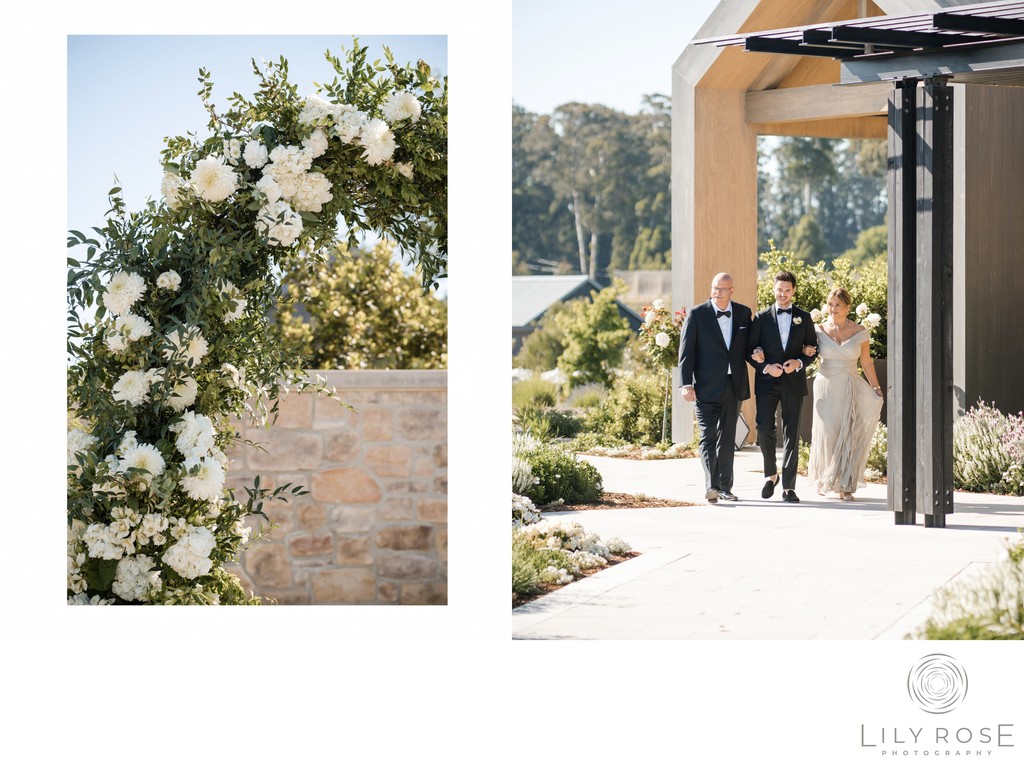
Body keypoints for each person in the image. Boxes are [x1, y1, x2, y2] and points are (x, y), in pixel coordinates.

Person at [678, 272, 751, 504]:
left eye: (722, 289)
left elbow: (748, 346)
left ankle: (725, 487)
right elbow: (685, 352)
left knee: (728, 437)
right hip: (705, 387)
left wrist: (759, 355)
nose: (717, 293)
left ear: (732, 290)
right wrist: (686, 383)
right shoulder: (697, 314)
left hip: (733, 384)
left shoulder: (743, 313)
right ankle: (711, 485)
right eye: (714, 288)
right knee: (707, 436)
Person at [747, 271, 818, 503]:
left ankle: (789, 487)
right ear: (773, 289)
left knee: (792, 433)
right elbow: (751, 350)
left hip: (793, 383)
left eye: (787, 290)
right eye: (780, 290)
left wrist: (798, 362)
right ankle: (771, 474)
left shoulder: (804, 318)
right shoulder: (760, 317)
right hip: (767, 382)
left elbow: (812, 349)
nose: (783, 294)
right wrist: (766, 366)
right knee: (764, 428)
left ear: (794, 291)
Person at [807, 287, 884, 501]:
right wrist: (805, 352)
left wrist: (876, 387)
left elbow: (866, 362)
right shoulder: (819, 330)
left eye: (837, 305)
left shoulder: (860, 332)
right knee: (827, 433)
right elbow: (807, 353)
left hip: (850, 385)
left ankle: (846, 483)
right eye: (830, 304)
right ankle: (826, 479)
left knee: (848, 431)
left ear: (847, 307)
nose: (833, 309)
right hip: (825, 386)